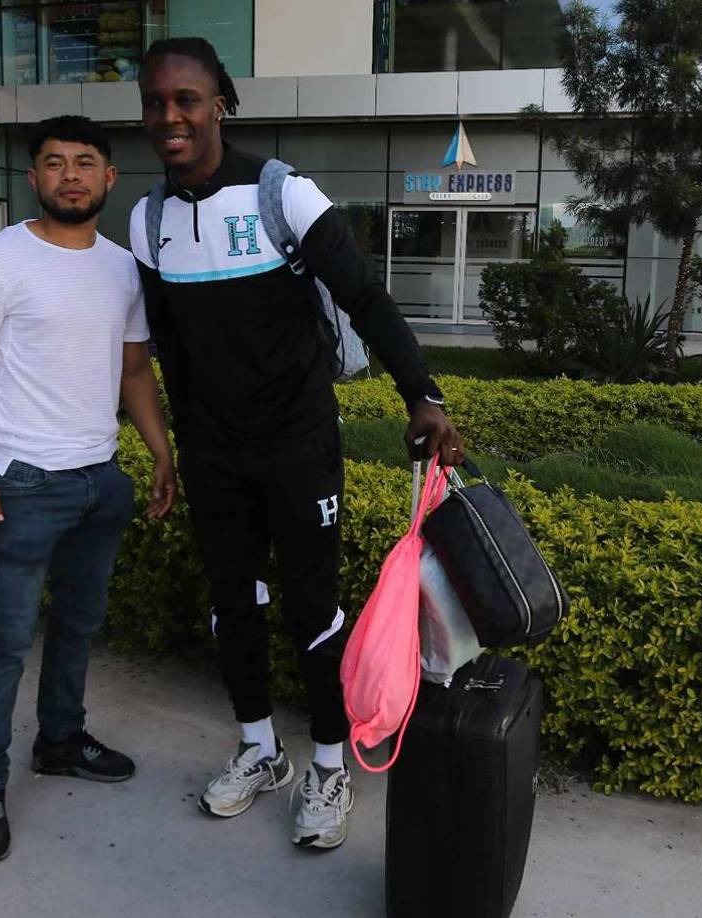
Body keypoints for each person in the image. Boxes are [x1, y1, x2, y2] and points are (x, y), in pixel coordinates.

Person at [131, 37, 465, 851]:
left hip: (297, 443)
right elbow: (165, 346)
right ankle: (258, 750)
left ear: (220, 104)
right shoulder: (147, 222)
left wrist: (421, 395)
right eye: (155, 102)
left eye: (186, 99)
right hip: (215, 453)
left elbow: (365, 296)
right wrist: (175, 447)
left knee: (314, 608)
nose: (170, 116)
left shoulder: (283, 194)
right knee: (232, 608)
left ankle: (325, 764)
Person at [0, 115, 176, 865]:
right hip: (19, 483)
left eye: (84, 163)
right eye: (52, 162)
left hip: (100, 481)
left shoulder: (119, 267)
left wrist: (160, 453)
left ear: (109, 179)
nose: (68, 174)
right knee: (6, 642)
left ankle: (60, 739)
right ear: (34, 178)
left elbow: (134, 370)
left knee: (78, 625)